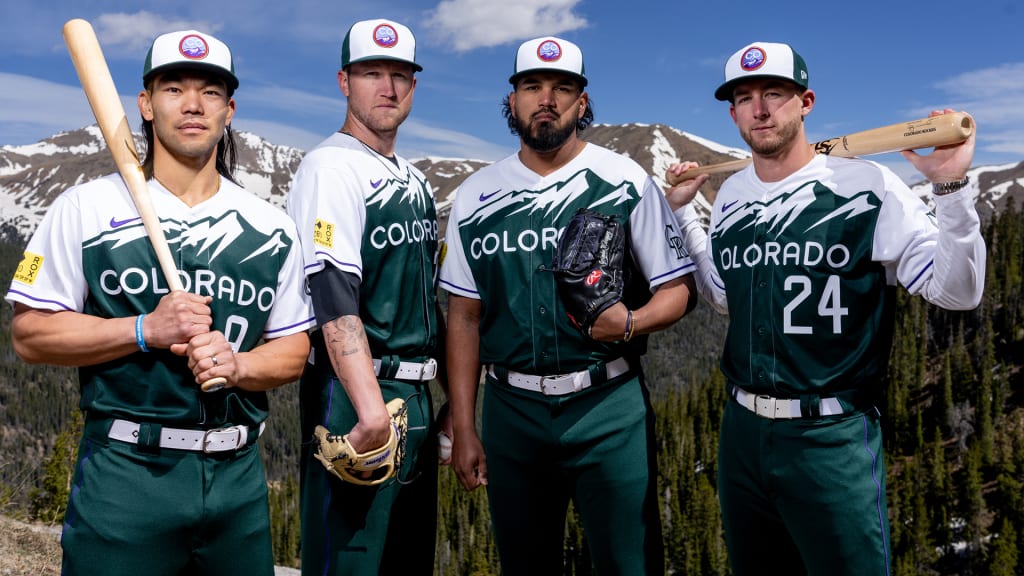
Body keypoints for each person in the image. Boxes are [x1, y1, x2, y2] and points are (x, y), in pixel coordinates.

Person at [664, 41, 986, 576]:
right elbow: (725, 299)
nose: (760, 109)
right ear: (732, 113)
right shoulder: (732, 195)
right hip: (742, 433)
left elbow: (958, 292)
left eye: (774, 93)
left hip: (831, 437)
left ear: (806, 102)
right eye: (745, 98)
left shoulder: (869, 186)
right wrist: (684, 219)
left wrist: (950, 186)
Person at [5, 29, 314, 576]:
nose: (192, 104)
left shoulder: (271, 225)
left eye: (210, 91)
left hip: (238, 480)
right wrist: (144, 328)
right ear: (146, 105)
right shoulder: (86, 208)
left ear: (229, 109)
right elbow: (30, 334)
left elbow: (293, 348)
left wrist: (240, 364)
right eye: (173, 88)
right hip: (127, 474)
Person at [440, 36, 698, 574]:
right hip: (512, 413)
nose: (546, 99)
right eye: (532, 86)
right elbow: (464, 315)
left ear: (582, 103)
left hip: (609, 406)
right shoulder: (475, 195)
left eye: (563, 88)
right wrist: (465, 424)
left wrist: (631, 321)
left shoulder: (626, 180)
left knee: (630, 563)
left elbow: (677, 291)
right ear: (512, 100)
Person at [284, 18, 447, 576]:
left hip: (417, 394)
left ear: (414, 87)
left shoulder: (415, 179)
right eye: (371, 73)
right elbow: (332, 294)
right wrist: (370, 406)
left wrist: (449, 404)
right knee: (348, 562)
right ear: (343, 82)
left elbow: (425, 297)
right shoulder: (330, 167)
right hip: (358, 393)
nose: (388, 86)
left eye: (400, 74)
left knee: (407, 561)